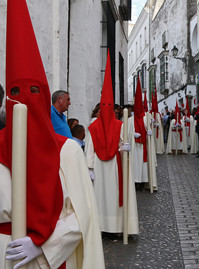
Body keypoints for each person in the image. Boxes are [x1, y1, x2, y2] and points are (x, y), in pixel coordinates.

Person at [1, 0, 105, 267]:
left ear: (45, 96)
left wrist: (43, 244)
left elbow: (83, 214)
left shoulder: (67, 150)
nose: (24, 101)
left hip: (47, 258)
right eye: (15, 93)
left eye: (33, 92)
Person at [85, 51, 138, 235]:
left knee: (111, 196)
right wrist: (90, 168)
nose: (107, 110)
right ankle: (102, 226)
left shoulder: (117, 125)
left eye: (109, 107)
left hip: (112, 166)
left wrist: (126, 148)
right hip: (103, 168)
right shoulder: (95, 127)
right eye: (105, 107)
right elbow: (90, 149)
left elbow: (123, 145)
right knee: (103, 196)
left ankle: (115, 226)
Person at [127, 78, 157, 192]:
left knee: (144, 165)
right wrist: (132, 134)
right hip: (135, 148)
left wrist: (149, 133)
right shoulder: (130, 120)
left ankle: (144, 182)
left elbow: (149, 128)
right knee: (135, 165)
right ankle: (135, 183)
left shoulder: (146, 117)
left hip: (143, 146)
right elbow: (125, 133)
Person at [151, 90, 165, 154]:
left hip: (157, 130)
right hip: (152, 130)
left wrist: (158, 124)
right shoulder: (150, 114)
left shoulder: (158, 114)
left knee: (157, 140)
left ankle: (158, 149)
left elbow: (160, 122)